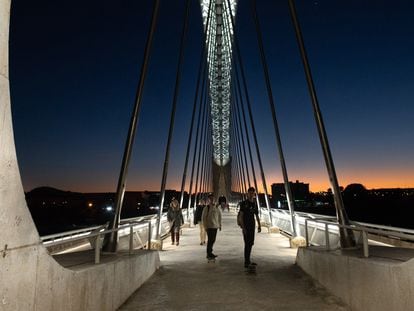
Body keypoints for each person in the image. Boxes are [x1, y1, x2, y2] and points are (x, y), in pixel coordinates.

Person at [237, 187, 261, 268]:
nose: (251, 194)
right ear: (247, 194)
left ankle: (248, 260)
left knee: (251, 243)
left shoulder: (254, 204)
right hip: (246, 226)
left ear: (254, 194)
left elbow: (256, 215)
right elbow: (241, 216)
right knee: (247, 244)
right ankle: (246, 262)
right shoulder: (243, 203)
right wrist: (243, 228)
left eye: (252, 193)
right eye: (250, 193)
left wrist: (259, 225)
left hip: (252, 226)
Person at [202, 194, 222, 260]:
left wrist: (220, 225)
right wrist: (205, 226)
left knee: (213, 240)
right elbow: (203, 218)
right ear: (208, 200)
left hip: (215, 226)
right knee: (210, 240)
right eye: (210, 199)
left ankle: (210, 253)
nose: (212, 200)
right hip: (209, 226)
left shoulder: (217, 207)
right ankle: (209, 254)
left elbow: (219, 216)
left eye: (213, 199)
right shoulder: (206, 208)